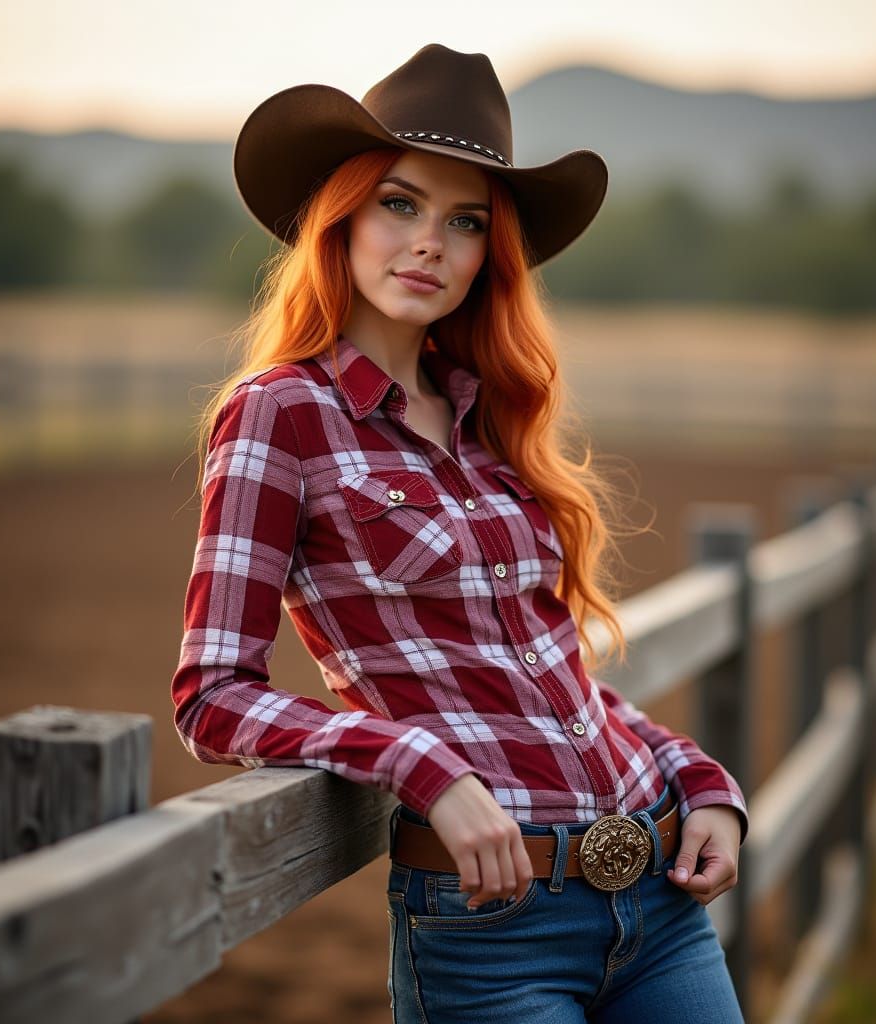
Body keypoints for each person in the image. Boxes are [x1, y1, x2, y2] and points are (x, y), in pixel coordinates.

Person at [171, 43, 748, 1023]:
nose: (429, 242)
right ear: (341, 215)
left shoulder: (490, 421)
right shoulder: (281, 414)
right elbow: (212, 696)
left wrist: (701, 781)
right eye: (399, 202)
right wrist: (414, 760)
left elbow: (554, 687)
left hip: (658, 898)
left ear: (491, 252)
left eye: (464, 221)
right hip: (494, 926)